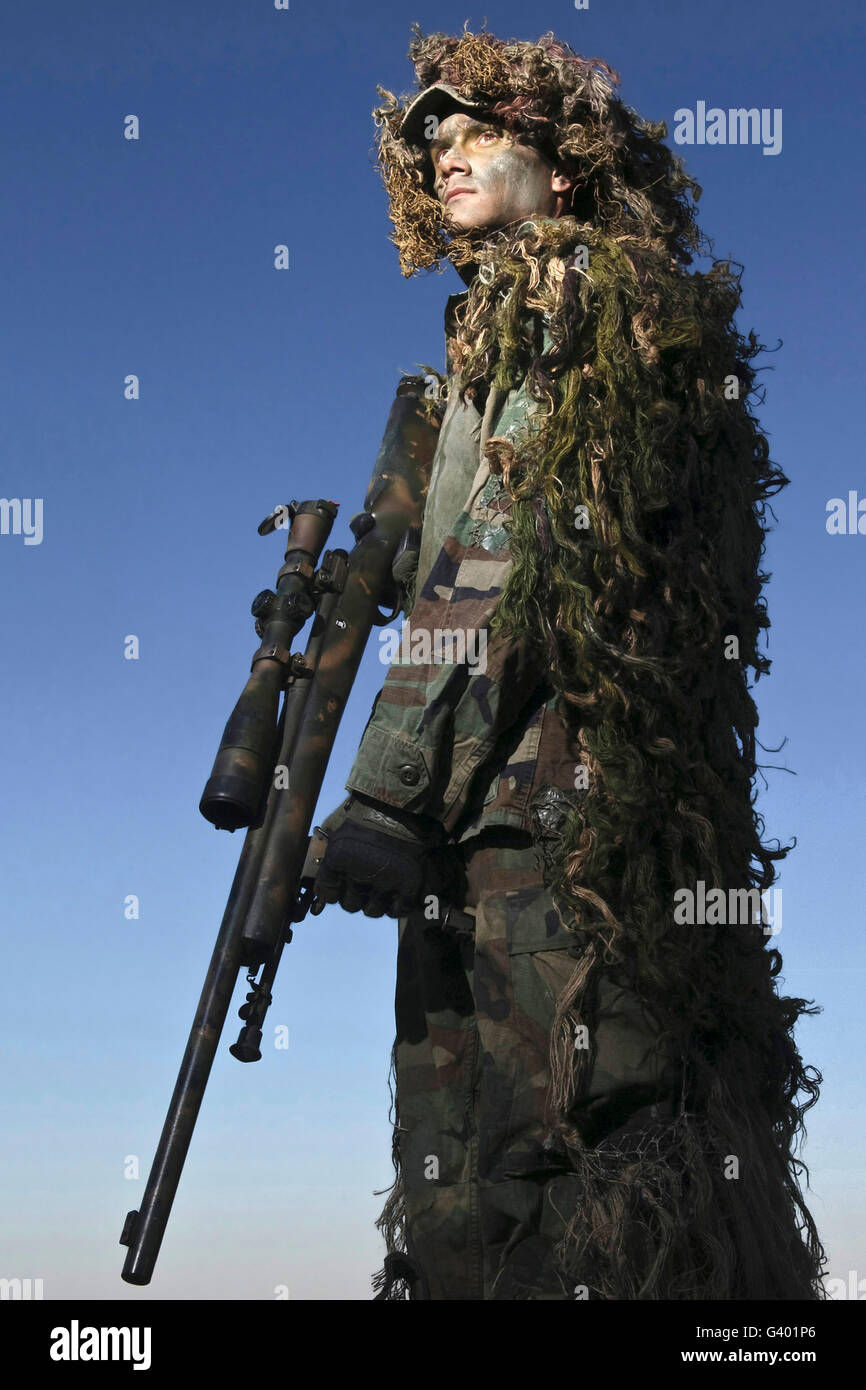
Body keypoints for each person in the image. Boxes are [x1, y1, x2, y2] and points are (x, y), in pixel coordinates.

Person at [312, 24, 826, 1300]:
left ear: (563, 157)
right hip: (482, 808)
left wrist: (380, 788)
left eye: (480, 131)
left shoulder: (583, 294)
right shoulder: (479, 343)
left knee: (553, 1166)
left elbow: (497, 559)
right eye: (430, 140)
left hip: (558, 826)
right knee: (467, 1165)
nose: (446, 156)